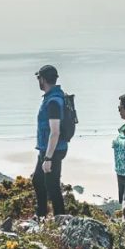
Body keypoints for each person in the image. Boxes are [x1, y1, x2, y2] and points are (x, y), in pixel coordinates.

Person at [32, 64, 69, 217]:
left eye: (38, 78)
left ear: (43, 79)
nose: (38, 81)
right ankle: (42, 215)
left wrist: (48, 158)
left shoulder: (53, 101)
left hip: (53, 149)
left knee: (52, 186)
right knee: (39, 181)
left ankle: (59, 219)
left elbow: (55, 132)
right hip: (49, 148)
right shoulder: (54, 97)